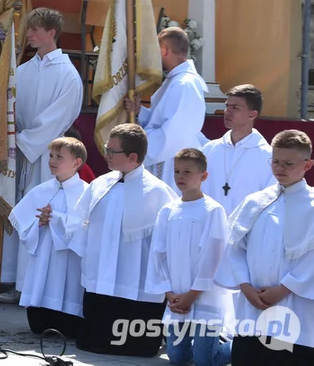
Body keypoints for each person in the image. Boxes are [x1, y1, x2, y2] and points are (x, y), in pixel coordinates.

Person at [69, 123, 177, 357]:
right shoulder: (101, 184)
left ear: (133, 156)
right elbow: (80, 222)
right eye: (107, 149)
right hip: (100, 274)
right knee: (96, 334)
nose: (106, 154)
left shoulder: (157, 192)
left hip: (135, 276)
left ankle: (136, 344)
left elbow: (169, 241)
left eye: (112, 151)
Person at [0, 8, 83, 303]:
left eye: (36, 30)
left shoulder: (68, 74)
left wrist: (22, 141)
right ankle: (14, 281)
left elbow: (56, 119)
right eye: (29, 29)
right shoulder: (21, 71)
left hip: (47, 158)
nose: (30, 35)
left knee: (41, 219)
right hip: (21, 154)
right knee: (21, 216)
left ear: (51, 33)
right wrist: (10, 137)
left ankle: (33, 287)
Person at [216, 129, 314, 363]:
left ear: (307, 165)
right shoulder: (255, 201)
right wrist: (245, 285)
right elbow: (235, 247)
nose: (280, 168)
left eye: (288, 163)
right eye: (275, 161)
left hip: (294, 303)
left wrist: (285, 288)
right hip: (253, 303)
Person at [146, 148, 232, 366]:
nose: (180, 177)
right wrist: (169, 293)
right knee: (176, 357)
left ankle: (239, 345)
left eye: (187, 172)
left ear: (204, 176)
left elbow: (213, 257)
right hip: (176, 297)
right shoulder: (168, 211)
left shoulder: (213, 210)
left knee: (204, 361)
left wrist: (192, 295)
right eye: (176, 171)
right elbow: (158, 253)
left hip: (203, 295)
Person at [8, 136, 89, 339]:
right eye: (51, 155)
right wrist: (39, 222)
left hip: (69, 257)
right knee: (39, 323)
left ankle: (67, 318)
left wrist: (55, 218)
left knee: (68, 285)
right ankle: (40, 313)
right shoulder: (42, 190)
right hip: (45, 251)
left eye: (59, 157)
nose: (52, 160)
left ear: (76, 163)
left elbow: (86, 227)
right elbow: (24, 221)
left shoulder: (86, 192)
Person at [123, 27, 207, 192]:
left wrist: (136, 146)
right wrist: (141, 111)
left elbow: (176, 132)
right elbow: (162, 119)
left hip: (171, 165)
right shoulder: (177, 81)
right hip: (166, 159)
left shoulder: (186, 84)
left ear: (164, 49)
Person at [202, 84, 275, 216]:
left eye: (235, 108)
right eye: (227, 106)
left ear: (252, 114)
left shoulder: (268, 156)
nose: (227, 112)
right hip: (209, 228)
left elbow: (270, 200)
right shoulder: (209, 150)